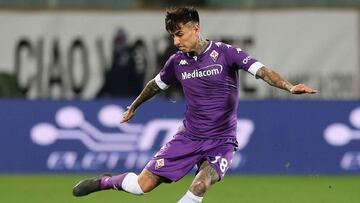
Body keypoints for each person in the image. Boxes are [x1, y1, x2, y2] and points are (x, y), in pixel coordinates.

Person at [72, 7, 316, 202]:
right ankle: (105, 181)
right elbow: (155, 85)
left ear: (195, 29)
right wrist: (134, 106)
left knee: (199, 185)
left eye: (180, 34)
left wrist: (289, 86)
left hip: (222, 141)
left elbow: (261, 71)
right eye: (172, 36)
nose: (176, 41)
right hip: (189, 137)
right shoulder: (176, 62)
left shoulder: (225, 53)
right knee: (140, 187)